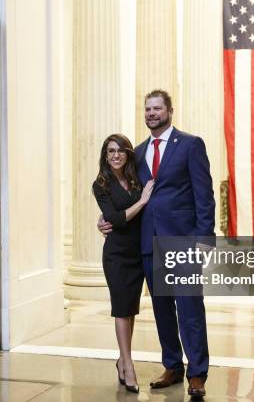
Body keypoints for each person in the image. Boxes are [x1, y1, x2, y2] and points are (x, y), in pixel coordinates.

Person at [98, 89, 215, 398]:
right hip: (148, 243)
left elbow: (205, 195)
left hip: (183, 241)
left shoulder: (190, 145)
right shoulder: (136, 153)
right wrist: (105, 218)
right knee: (162, 309)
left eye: (157, 108)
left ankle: (198, 372)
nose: (151, 113)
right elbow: (124, 194)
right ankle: (172, 366)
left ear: (170, 111)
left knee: (190, 308)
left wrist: (205, 239)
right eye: (147, 109)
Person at [92, 134, 155, 394]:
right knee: (120, 309)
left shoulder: (135, 177)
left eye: (119, 151)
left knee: (130, 309)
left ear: (128, 154)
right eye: (110, 152)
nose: (115, 155)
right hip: (117, 255)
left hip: (137, 252)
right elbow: (116, 220)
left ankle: (122, 360)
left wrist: (111, 216)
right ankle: (128, 364)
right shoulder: (100, 184)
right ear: (105, 156)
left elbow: (122, 216)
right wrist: (142, 201)